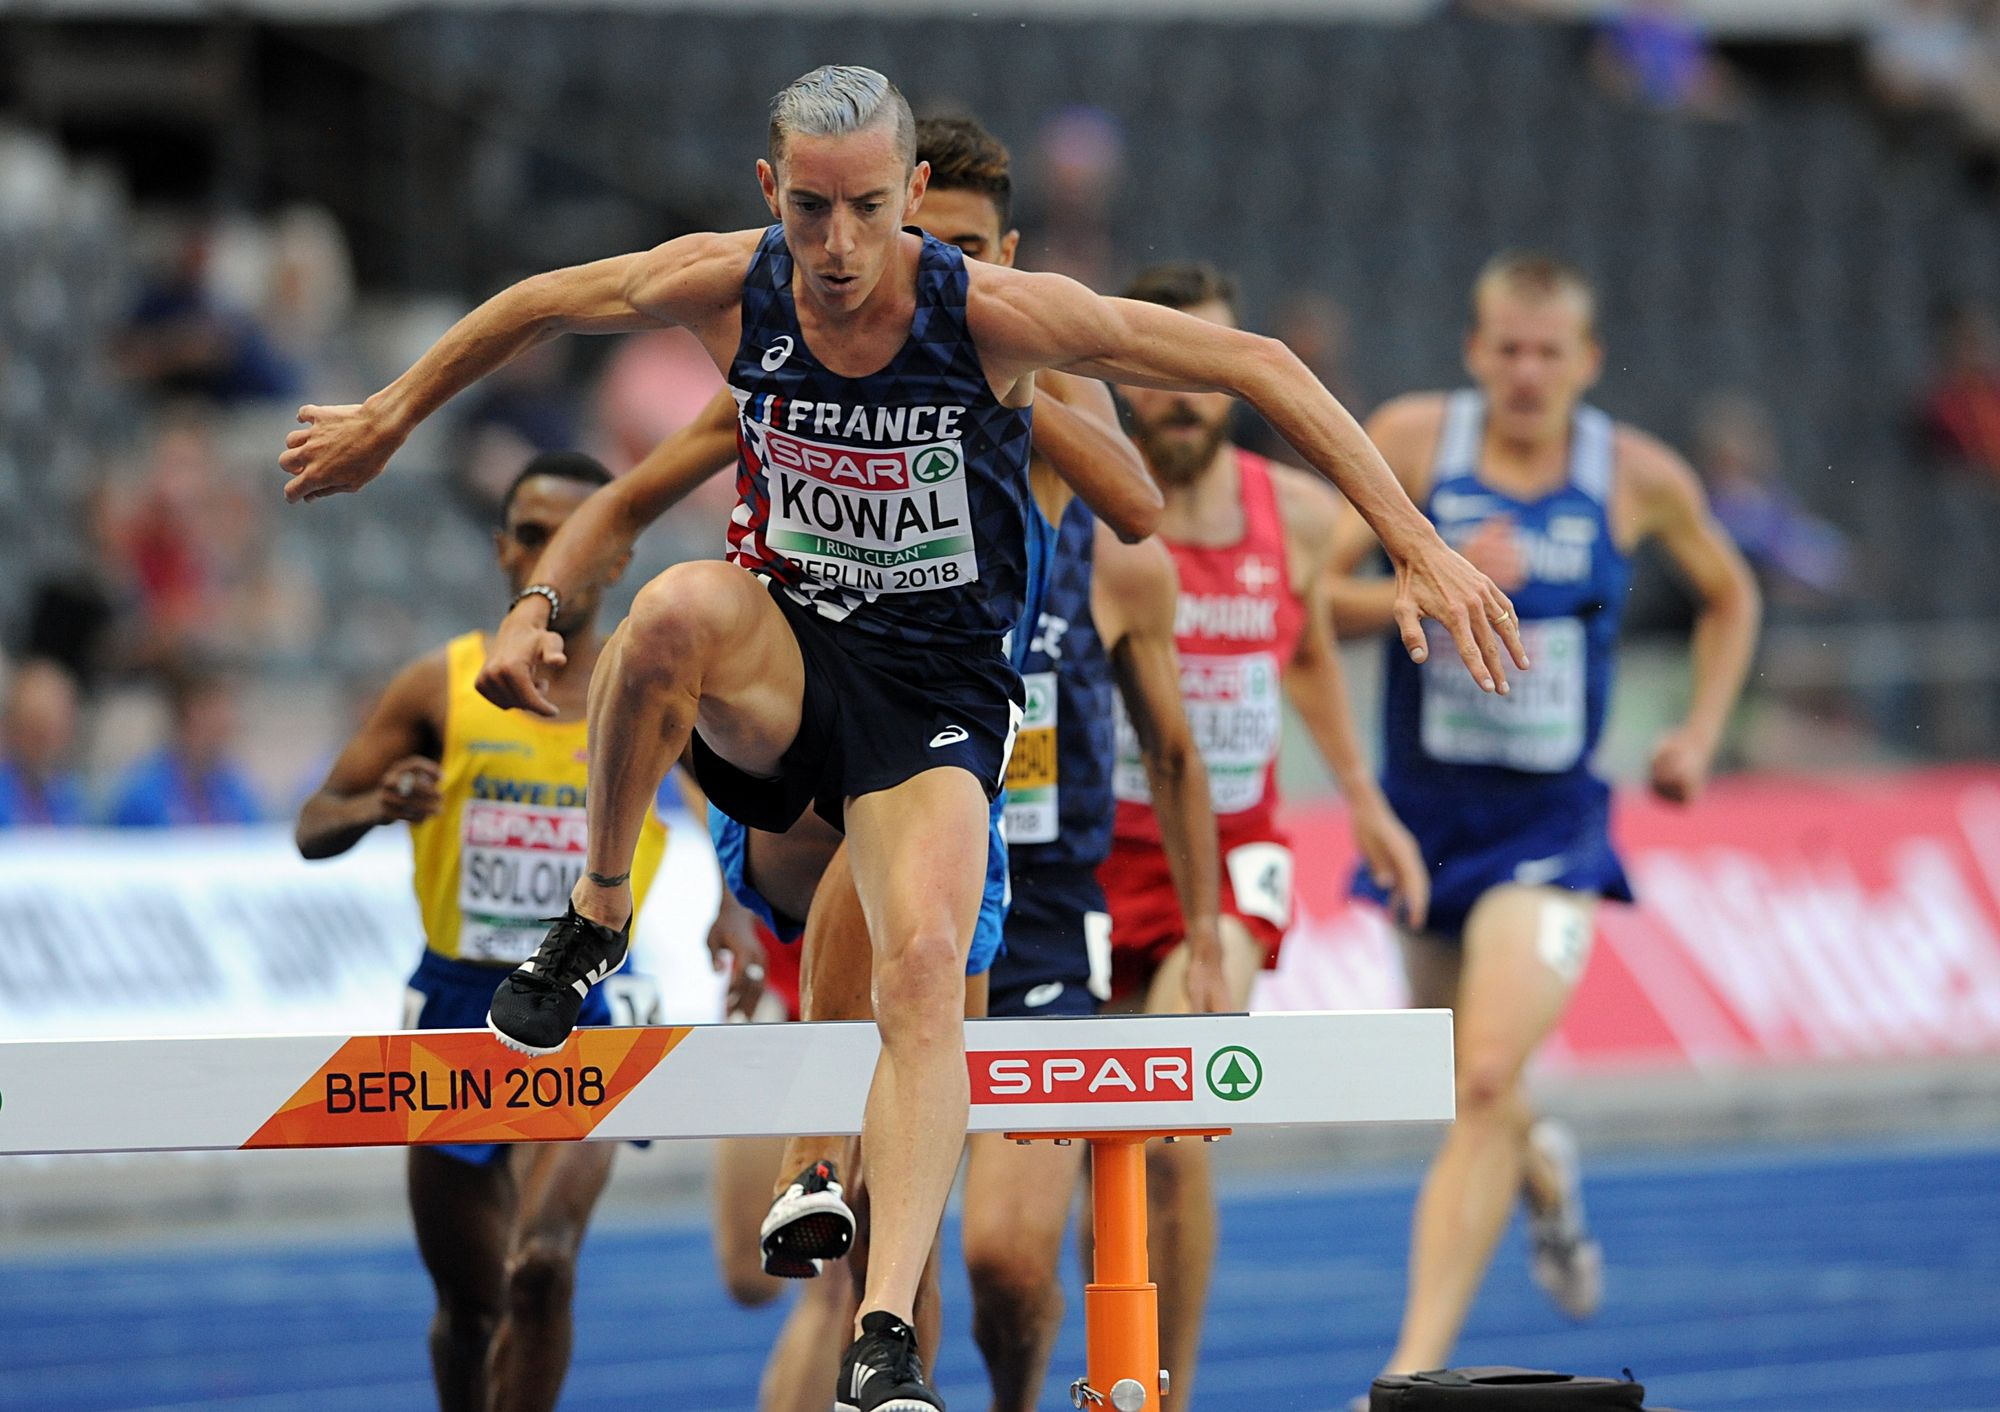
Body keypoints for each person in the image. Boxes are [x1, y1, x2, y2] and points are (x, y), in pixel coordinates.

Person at [278, 64, 1518, 1412]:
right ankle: (598, 906)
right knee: (672, 612)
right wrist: (390, 418)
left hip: (931, 697)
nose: (836, 247)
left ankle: (881, 1331)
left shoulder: (988, 314)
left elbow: (1254, 367)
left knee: (923, 967)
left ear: (911, 195)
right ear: (769, 192)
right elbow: (538, 302)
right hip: (791, 658)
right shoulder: (730, 284)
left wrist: (1415, 544)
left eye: (867, 209)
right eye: (808, 210)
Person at [1337, 252, 1759, 1395]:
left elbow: (1730, 592)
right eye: (1507, 349)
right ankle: (1543, 1174)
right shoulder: (1412, 442)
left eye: (1547, 352)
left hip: (1550, 825)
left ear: (1587, 362)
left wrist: (1696, 733)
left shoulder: (1632, 474)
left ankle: (1405, 1375)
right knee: (1460, 1076)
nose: (1526, 372)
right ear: (1473, 352)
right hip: (1425, 823)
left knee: (1480, 1079)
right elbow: (1311, 594)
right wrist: (1422, 580)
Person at [1098, 262, 1429, 1408]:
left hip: (1233, 858)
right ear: (1124, 377)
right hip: (1095, 859)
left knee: (1173, 1128)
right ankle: (1110, 1364)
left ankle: (1170, 1391)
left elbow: (1305, 646)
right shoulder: (1084, 506)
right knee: (1093, 1144)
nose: (1183, 395)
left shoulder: (1294, 511)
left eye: (1207, 370)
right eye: (1161, 370)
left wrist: (1362, 795)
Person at [294, 451, 666, 1412]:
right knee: (470, 1308)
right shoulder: (440, 686)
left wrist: (738, 923)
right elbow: (313, 823)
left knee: (541, 1267)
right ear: (504, 551)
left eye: (576, 537)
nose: (553, 557)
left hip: (589, 1008)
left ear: (615, 556)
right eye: (534, 536)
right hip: (459, 1003)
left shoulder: (654, 686)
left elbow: (749, 813)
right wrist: (378, 803)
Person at [107, 664, 263, 826]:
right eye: (219, 707)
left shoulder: (233, 786)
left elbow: (256, 833)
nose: (230, 718)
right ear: (192, 711)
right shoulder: (143, 794)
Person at [0, 659, 87, 828]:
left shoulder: (70, 793)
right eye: (35, 729)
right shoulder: (5, 792)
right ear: (12, 727)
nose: (47, 746)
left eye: (56, 729)